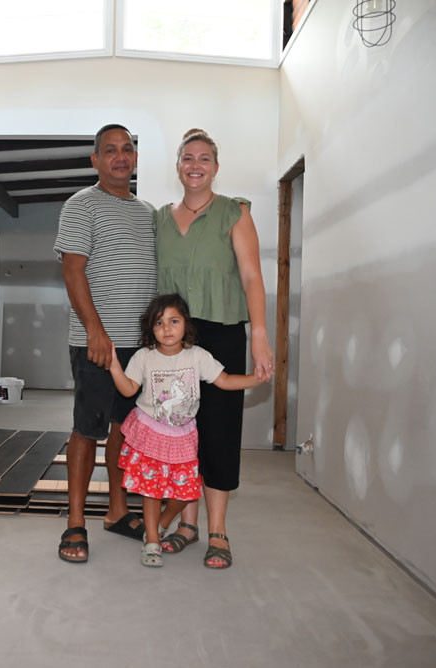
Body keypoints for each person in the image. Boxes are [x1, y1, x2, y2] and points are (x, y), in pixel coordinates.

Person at [154, 128, 275, 569]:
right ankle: (187, 525)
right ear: (178, 166)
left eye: (204, 158)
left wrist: (259, 333)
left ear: (216, 168)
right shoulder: (159, 219)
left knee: (220, 432)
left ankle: (217, 530)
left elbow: (251, 278)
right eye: (188, 158)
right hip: (174, 338)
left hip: (222, 333)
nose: (196, 165)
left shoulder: (234, 213)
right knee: (179, 429)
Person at [52, 124, 158, 563]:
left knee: (125, 429)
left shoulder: (149, 211)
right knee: (87, 428)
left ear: (135, 158)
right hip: (98, 343)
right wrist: (96, 331)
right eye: (109, 150)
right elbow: (73, 270)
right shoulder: (81, 205)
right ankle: (75, 522)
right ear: (95, 160)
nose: (120, 156)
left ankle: (117, 511)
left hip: (142, 347)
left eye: (127, 149)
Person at [108, 294, 262, 567]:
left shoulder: (198, 356)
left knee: (186, 490)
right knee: (152, 491)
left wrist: (255, 379)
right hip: (151, 432)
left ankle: (164, 523)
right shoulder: (144, 357)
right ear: (150, 329)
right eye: (159, 323)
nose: (167, 328)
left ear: (186, 325)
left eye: (174, 321)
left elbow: (224, 380)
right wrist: (113, 366)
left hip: (182, 435)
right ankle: (152, 540)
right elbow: (129, 389)